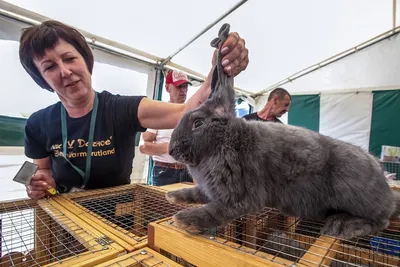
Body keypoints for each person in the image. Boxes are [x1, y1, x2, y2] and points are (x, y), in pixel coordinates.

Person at [18, 20, 249, 200]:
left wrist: (218, 69)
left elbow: (186, 112)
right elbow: (44, 172)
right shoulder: (38, 124)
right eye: (49, 67)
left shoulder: (120, 109)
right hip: (67, 217)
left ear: (86, 60)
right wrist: (39, 185)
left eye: (69, 58)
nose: (65, 71)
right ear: (40, 78)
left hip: (118, 216)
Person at [139, 70, 194, 186]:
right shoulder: (159, 112)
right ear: (168, 88)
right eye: (179, 87)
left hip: (187, 172)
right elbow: (143, 147)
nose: (183, 90)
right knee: (162, 204)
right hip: (165, 172)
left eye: (185, 86)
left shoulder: (191, 116)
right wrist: (167, 148)